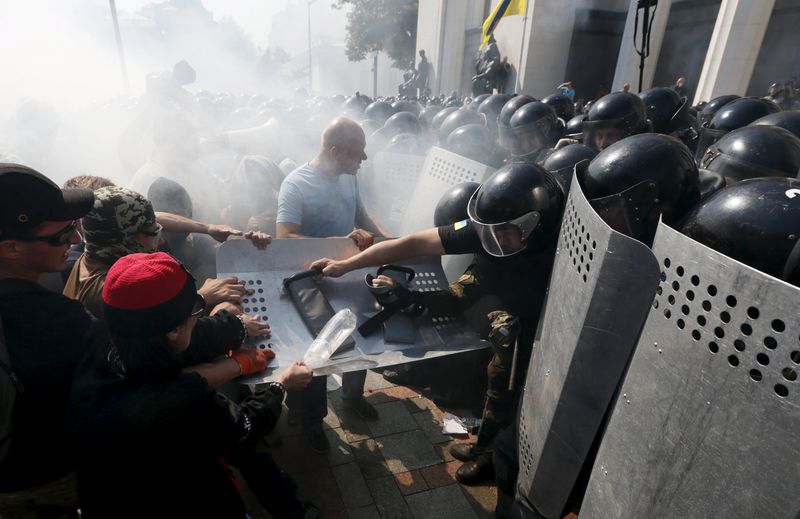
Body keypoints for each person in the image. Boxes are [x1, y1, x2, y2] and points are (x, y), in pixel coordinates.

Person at [310, 162, 565, 485]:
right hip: (503, 293)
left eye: (504, 233)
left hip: (540, 316)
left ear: (534, 223)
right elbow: (412, 243)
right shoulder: (492, 229)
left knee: (508, 377)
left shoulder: (561, 241)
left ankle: (491, 454)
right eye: (488, 231)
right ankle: (482, 443)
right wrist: (345, 265)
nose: (494, 240)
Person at [67, 252, 316, 518]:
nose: (198, 318)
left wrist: (235, 327)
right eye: (196, 312)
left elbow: (191, 338)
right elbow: (243, 425)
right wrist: (280, 385)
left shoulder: (97, 351)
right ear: (172, 330)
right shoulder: (183, 399)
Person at [276, 117, 384, 453]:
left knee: (360, 335)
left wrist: (389, 241)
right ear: (335, 151)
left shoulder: (349, 178)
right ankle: (310, 421)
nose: (364, 159)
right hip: (313, 282)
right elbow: (285, 236)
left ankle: (352, 397)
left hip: (349, 272)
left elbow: (362, 218)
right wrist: (339, 242)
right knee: (318, 351)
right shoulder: (296, 184)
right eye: (358, 152)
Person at [0, 164, 94, 493]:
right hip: (40, 484)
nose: (76, 238)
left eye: (74, 226)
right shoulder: (59, 320)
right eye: (61, 235)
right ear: (11, 248)